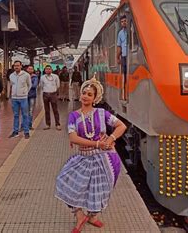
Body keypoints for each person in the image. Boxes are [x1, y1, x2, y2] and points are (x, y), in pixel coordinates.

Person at [55, 75, 127, 232]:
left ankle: (93, 216)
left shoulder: (102, 113)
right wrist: (96, 143)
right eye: (84, 93)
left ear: (95, 98)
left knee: (100, 189)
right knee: (65, 182)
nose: (85, 96)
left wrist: (111, 138)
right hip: (84, 157)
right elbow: (73, 137)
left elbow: (121, 126)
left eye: (89, 94)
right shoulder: (74, 116)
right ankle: (79, 215)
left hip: (104, 158)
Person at [9, 61, 31, 139]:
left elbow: (29, 85)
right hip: (14, 98)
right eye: (15, 66)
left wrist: (25, 93)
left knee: (25, 115)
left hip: (23, 98)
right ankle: (15, 131)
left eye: (18, 65)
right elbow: (11, 85)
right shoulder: (11, 75)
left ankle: (26, 132)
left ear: (21, 66)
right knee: (15, 115)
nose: (16, 67)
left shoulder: (26, 75)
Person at [39, 65, 61, 131]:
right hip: (45, 94)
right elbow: (41, 86)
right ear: (44, 70)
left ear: (51, 70)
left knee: (55, 110)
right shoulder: (42, 77)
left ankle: (58, 124)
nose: (48, 70)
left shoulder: (55, 76)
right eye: (46, 69)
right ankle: (47, 124)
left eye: (49, 69)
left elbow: (58, 85)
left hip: (53, 94)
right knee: (47, 110)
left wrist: (54, 91)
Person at [23, 65, 38, 130]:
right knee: (24, 111)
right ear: (27, 69)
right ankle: (23, 125)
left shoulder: (35, 77)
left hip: (32, 95)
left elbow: (34, 86)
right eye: (29, 69)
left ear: (33, 70)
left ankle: (29, 125)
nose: (30, 70)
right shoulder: (24, 76)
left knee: (30, 111)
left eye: (31, 69)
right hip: (24, 95)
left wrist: (26, 85)